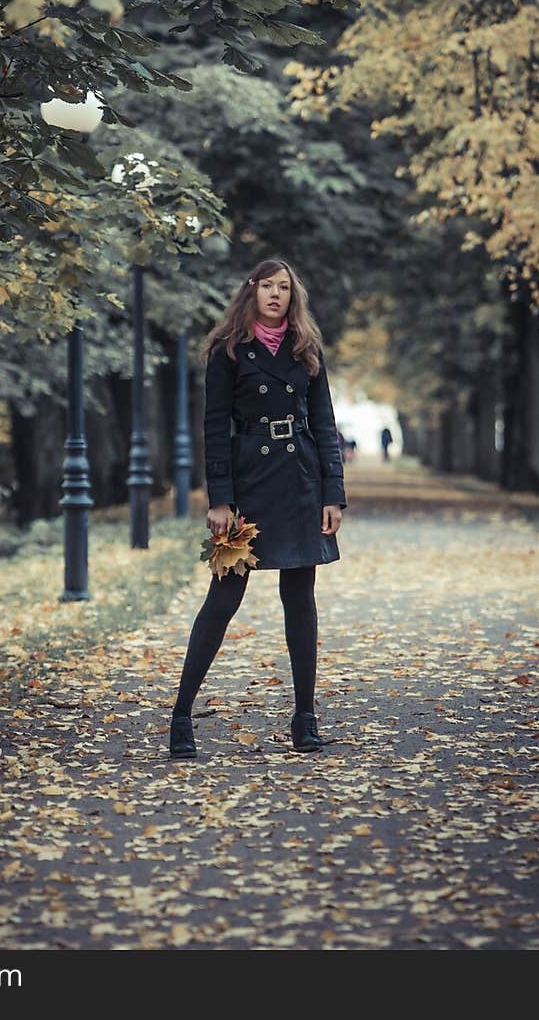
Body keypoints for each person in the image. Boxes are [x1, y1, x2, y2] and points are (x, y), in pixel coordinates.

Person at [169, 258, 347, 759]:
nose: (275, 295)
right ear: (252, 292)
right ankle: (181, 717)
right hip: (248, 486)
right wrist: (220, 499)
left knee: (300, 601)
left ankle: (305, 718)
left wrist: (333, 492)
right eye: (267, 286)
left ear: (294, 296)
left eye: (284, 287)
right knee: (222, 602)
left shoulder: (306, 348)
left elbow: (325, 422)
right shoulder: (228, 350)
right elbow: (215, 427)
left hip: (300, 483)